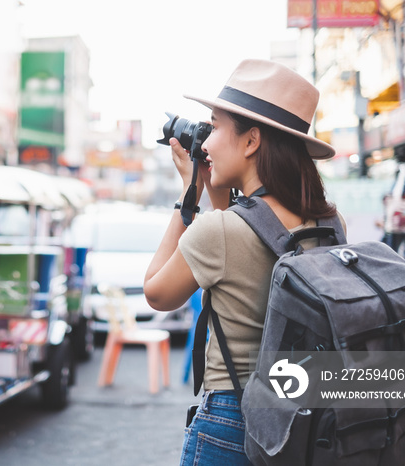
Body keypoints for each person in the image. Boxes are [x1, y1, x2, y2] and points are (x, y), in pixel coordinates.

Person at [143, 59, 342, 465]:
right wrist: (212, 186)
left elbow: (157, 293)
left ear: (251, 142)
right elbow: (251, 227)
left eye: (214, 126)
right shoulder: (327, 222)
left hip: (234, 422)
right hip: (306, 417)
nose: (207, 143)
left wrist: (188, 195)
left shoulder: (218, 233)